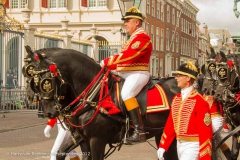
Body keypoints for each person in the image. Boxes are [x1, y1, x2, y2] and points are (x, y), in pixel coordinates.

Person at [100, 6, 152, 143]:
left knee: (127, 94)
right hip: (126, 73)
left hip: (137, 73)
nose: (125, 23)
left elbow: (128, 57)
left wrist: (107, 61)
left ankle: (139, 131)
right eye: (125, 21)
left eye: (128, 20)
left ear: (137, 22)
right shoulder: (133, 38)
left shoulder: (142, 37)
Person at [157, 62, 212, 160]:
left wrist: (205, 155)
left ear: (188, 78)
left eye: (179, 76)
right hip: (179, 144)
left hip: (193, 145)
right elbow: (171, 124)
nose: (176, 78)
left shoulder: (200, 102)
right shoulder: (176, 98)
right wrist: (163, 146)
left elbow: (205, 131)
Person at [203, 95, 231, 159]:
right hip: (206, 118)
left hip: (215, 117)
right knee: (219, 140)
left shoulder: (215, 92)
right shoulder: (202, 94)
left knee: (215, 137)